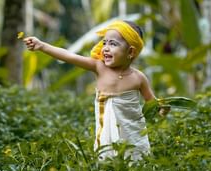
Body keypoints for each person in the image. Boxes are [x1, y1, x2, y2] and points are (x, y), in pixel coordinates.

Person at [23, 20, 168, 161]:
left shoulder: (138, 78)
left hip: (133, 132)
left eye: (113, 44)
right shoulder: (99, 67)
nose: (105, 48)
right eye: (104, 42)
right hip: (106, 132)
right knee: (108, 159)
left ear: (130, 51)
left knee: (136, 158)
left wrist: (161, 109)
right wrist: (42, 46)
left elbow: (151, 101)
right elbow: (69, 56)